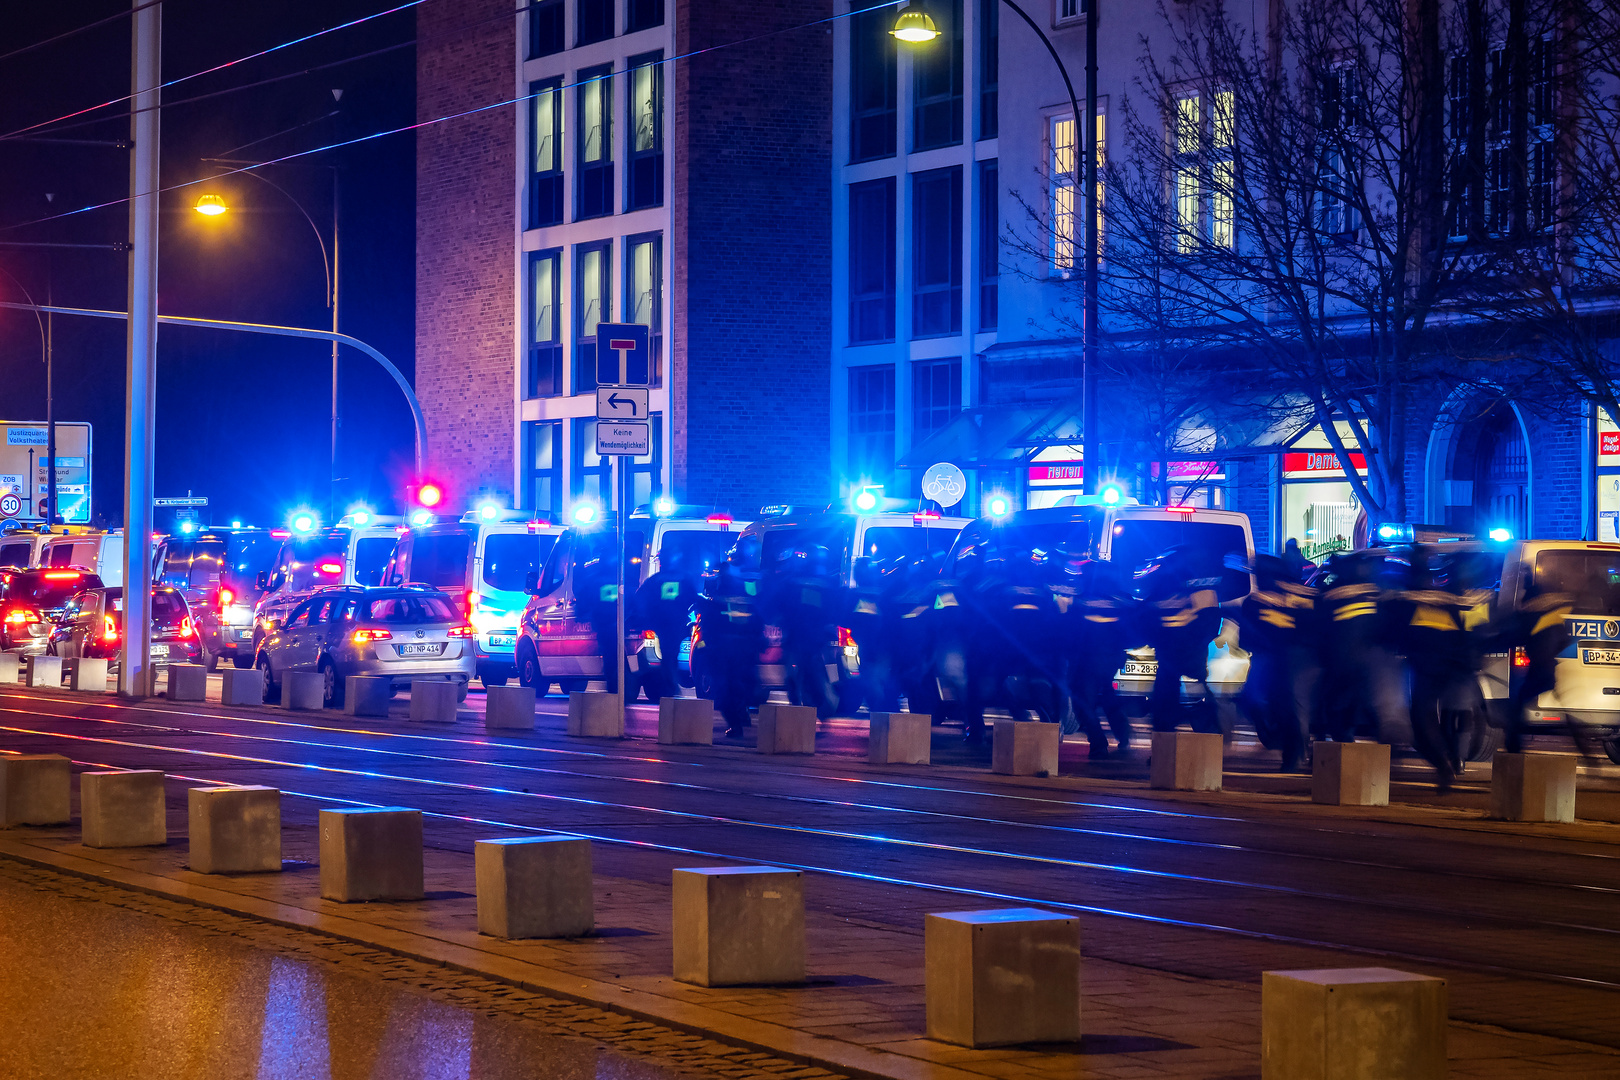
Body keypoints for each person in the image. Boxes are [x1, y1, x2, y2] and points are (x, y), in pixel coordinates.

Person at [1237, 554, 1319, 770]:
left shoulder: (1256, 601)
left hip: (1292, 659)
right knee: (1262, 701)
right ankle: (1288, 747)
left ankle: (1294, 755)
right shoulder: (1307, 595)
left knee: (1288, 705)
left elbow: (1246, 638)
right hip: (1286, 657)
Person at [1316, 550, 1407, 744]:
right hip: (1369, 662)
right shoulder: (1378, 592)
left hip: (1341, 662)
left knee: (1339, 705)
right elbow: (1391, 624)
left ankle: (1341, 745)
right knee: (1367, 703)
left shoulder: (1331, 594)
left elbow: (1321, 629)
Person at [1058, 556, 1136, 756]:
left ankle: (1098, 742)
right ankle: (1123, 735)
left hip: (1087, 660)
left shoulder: (1083, 599)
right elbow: (1131, 629)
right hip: (1111, 658)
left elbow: (1070, 631)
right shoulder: (1122, 599)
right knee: (1108, 695)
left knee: (1083, 702)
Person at [1139, 546, 1223, 733]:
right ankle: (1205, 727)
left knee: (1165, 701)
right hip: (1192, 654)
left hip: (1171, 655)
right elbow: (1211, 624)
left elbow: (1148, 617)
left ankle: (1168, 742)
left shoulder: (1167, 587)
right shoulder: (1207, 590)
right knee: (1191, 692)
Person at [1501, 570, 1571, 753]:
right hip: (1550, 671)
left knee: (1517, 703)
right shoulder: (1553, 616)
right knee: (1522, 700)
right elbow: (1564, 640)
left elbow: (1513, 638)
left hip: (1538, 672)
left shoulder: (1529, 616)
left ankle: (1514, 747)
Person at [698, 547, 762, 736]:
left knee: (723, 690)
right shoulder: (746, 598)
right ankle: (742, 717)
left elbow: (707, 628)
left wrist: (708, 647)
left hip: (723, 652)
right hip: (744, 652)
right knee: (739, 686)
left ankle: (737, 725)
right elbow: (757, 623)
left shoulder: (715, 601)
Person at [634, 547, 699, 701]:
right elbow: (693, 599)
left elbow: (640, 599)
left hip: (662, 625)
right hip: (676, 624)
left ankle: (669, 687)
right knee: (671, 656)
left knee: (668, 656)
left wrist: (646, 617)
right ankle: (670, 687)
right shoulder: (684, 578)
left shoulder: (654, 580)